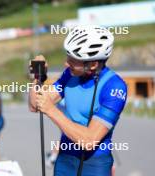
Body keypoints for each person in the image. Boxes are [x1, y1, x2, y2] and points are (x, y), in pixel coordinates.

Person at [28, 25, 127, 176]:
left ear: (93, 64)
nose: (66, 63)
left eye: (73, 60)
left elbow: (89, 140)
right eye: (68, 56)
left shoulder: (114, 87)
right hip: (65, 159)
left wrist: (51, 110)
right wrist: (37, 77)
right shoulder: (70, 74)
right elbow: (35, 105)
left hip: (94, 164)